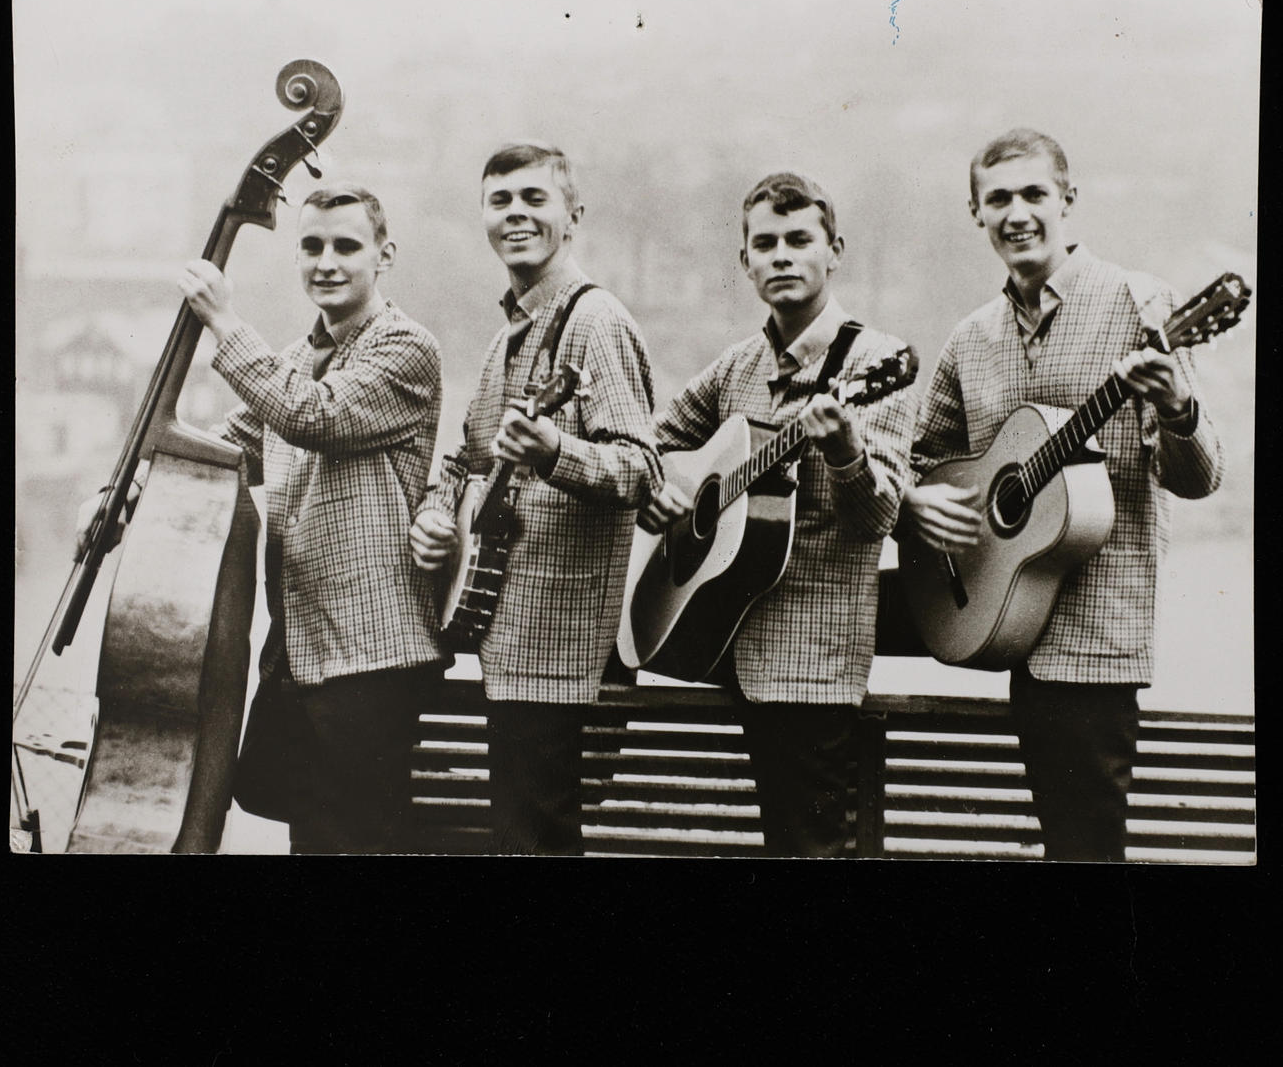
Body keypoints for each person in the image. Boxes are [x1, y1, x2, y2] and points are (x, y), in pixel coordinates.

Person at [84, 185, 445, 854]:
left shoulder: (404, 348)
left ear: (384, 254)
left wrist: (224, 323)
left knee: (356, 844)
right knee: (312, 841)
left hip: (372, 656)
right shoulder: (296, 359)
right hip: (304, 657)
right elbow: (216, 453)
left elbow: (316, 415)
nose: (327, 261)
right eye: (311, 246)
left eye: (346, 245)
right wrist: (118, 492)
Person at [900, 129, 1224, 862]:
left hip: (1088, 648)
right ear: (976, 213)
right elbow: (923, 460)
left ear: (1068, 200)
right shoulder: (969, 339)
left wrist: (1178, 409)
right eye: (999, 198)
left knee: (1082, 855)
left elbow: (1201, 477)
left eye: (1034, 193)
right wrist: (915, 504)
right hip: (986, 622)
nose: (1018, 213)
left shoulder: (1141, 306)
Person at [638, 172, 918, 857]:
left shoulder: (877, 362)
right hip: (725, 643)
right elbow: (653, 441)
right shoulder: (738, 366)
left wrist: (848, 450)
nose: (783, 256)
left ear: (835, 250)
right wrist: (659, 488)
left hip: (812, 666)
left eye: (800, 239)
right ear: (746, 262)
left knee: (811, 849)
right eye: (766, 244)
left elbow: (878, 517)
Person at [408, 142, 660, 856]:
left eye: (534, 199)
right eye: (500, 201)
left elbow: (643, 471)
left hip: (561, 652)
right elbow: (464, 461)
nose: (516, 214)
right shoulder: (505, 339)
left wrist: (555, 452)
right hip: (506, 638)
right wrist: (434, 514)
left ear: (573, 216)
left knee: (536, 843)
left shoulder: (597, 322)